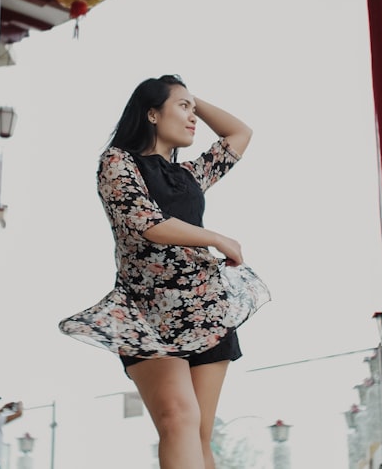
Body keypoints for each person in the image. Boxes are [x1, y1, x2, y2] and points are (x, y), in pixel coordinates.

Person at [59, 74, 270, 469]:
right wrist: (217, 239)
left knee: (201, 434)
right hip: (147, 314)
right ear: (152, 113)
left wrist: (191, 97)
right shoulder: (118, 162)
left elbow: (240, 133)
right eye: (182, 108)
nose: (192, 118)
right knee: (178, 419)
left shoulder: (190, 175)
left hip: (206, 308)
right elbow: (146, 223)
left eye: (193, 110)